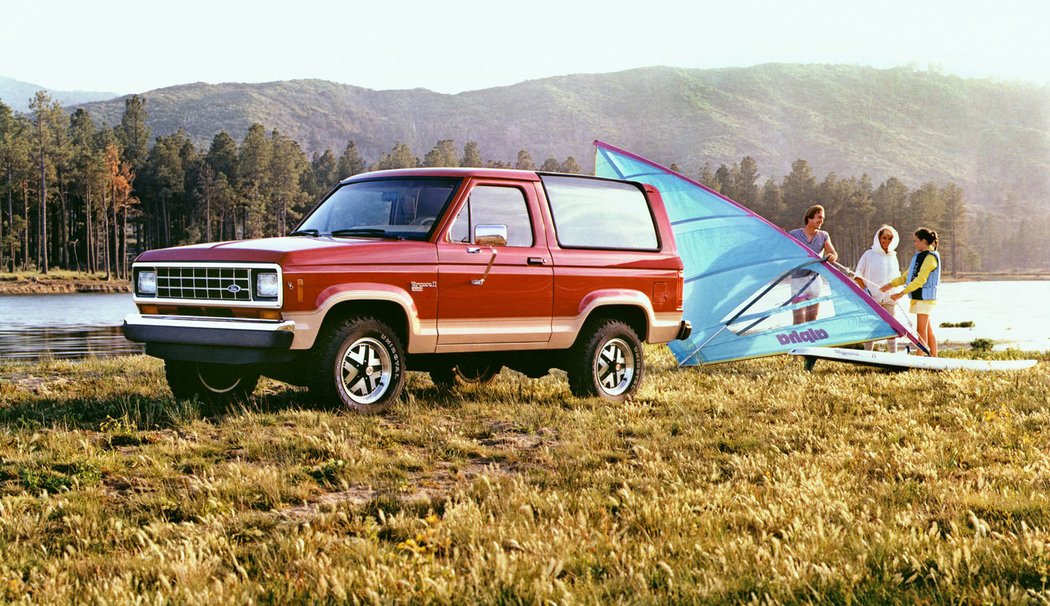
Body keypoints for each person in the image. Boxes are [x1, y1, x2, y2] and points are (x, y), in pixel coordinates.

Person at [881, 228, 940, 357]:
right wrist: (890, 285)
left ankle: (919, 358)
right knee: (927, 330)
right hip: (919, 299)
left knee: (920, 331)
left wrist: (900, 294)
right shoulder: (918, 257)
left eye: (916, 241)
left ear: (924, 241)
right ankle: (935, 358)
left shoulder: (931, 258)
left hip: (926, 300)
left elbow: (920, 280)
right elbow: (905, 277)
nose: (915, 244)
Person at [788, 205, 838, 324]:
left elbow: (833, 253)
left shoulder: (823, 235)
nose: (821, 221)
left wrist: (832, 256)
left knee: (812, 319)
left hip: (815, 281)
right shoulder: (794, 234)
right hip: (798, 282)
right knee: (799, 319)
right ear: (809, 218)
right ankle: (798, 342)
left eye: (823, 218)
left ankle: (812, 343)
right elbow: (782, 246)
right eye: (819, 217)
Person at [854, 225, 901, 352]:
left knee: (892, 328)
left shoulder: (893, 256)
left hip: (889, 298)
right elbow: (858, 276)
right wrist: (866, 292)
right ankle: (867, 356)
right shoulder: (869, 254)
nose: (886, 241)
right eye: (884, 238)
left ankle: (894, 356)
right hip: (872, 298)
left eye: (890, 239)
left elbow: (897, 277)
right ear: (879, 238)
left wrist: (898, 294)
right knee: (871, 329)